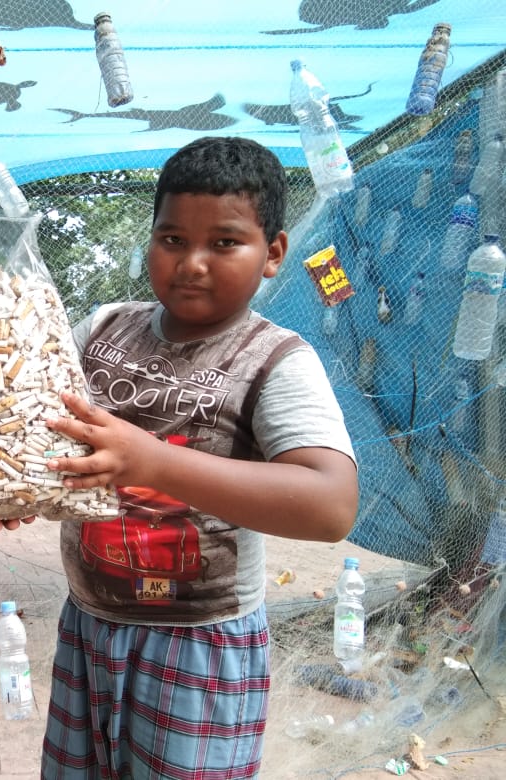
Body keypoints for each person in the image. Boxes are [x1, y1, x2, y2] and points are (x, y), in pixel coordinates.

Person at [38, 137, 359, 779]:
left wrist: (153, 463)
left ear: (273, 254)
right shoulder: (103, 328)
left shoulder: (274, 358)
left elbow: (330, 505)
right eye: (173, 239)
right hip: (90, 622)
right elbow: (37, 424)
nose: (192, 263)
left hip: (199, 641)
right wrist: (15, 488)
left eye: (224, 242)